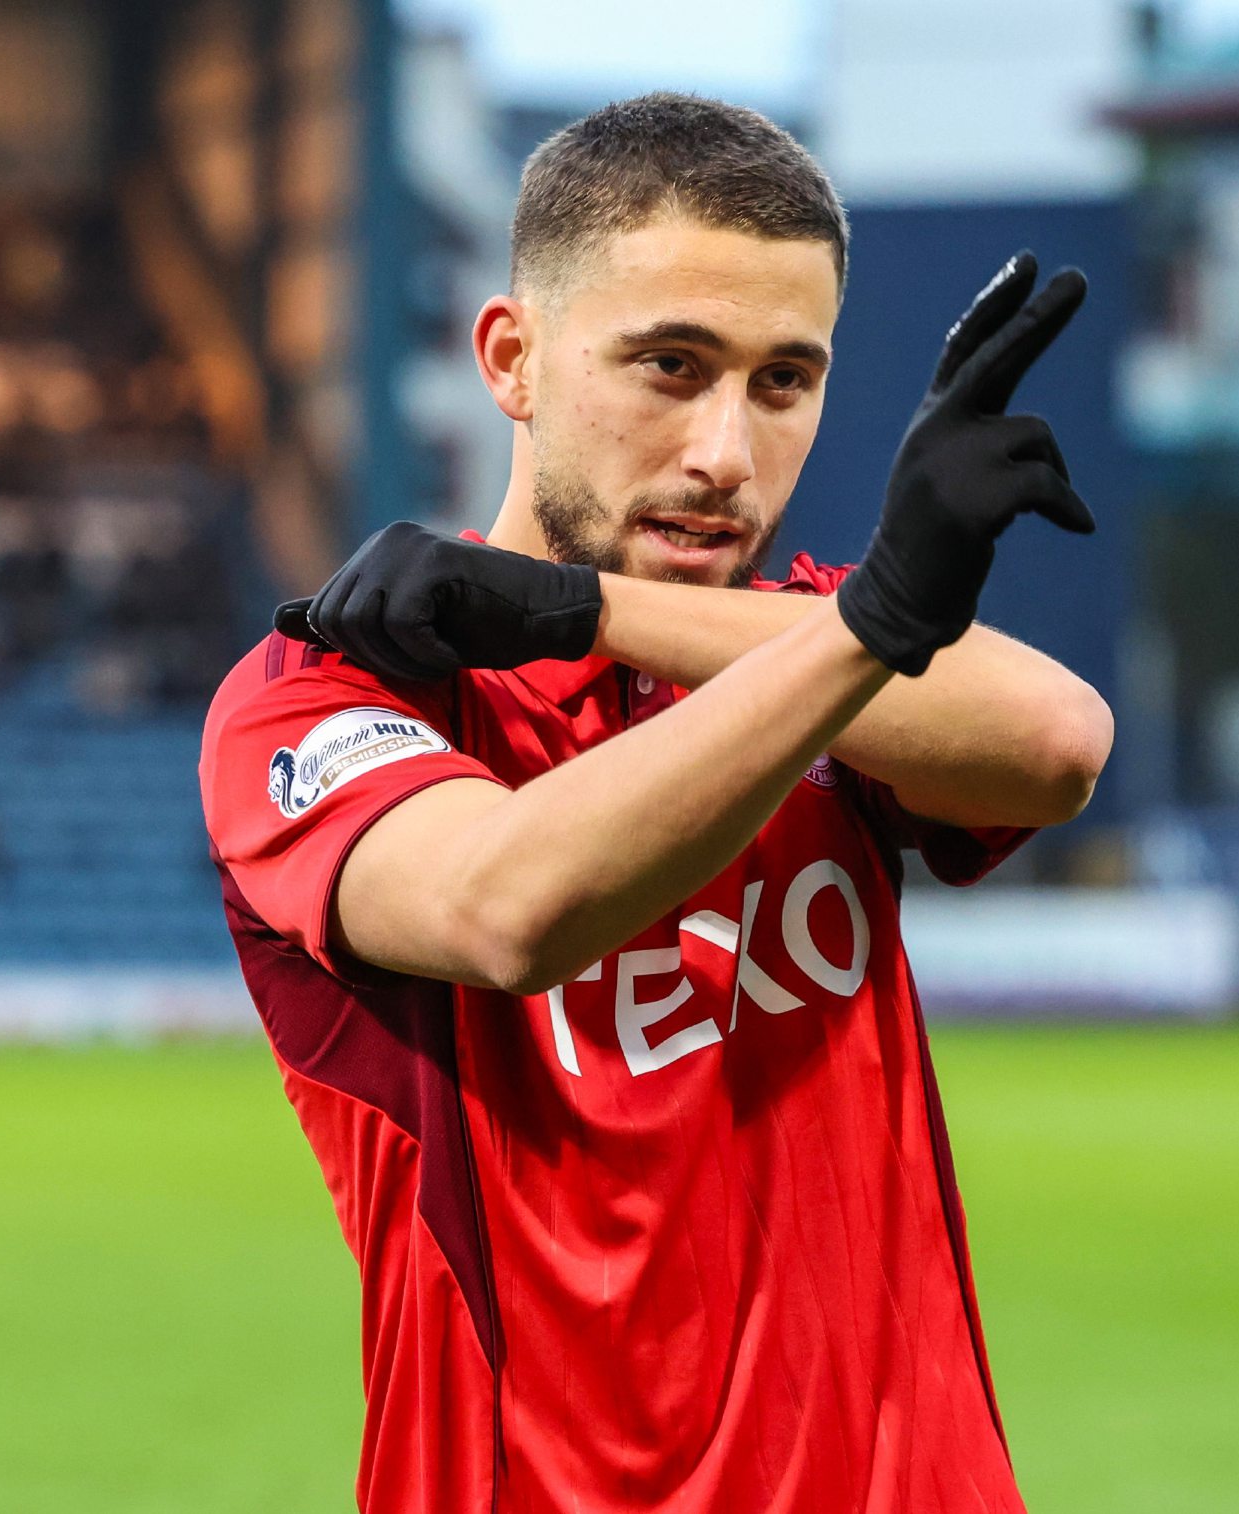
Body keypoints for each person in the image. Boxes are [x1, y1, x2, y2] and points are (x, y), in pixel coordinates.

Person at [200, 94, 1112, 1514]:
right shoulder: (322, 692)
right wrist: (870, 625)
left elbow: (1055, 741)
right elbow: (507, 908)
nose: (725, 454)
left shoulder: (810, 638)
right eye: (670, 367)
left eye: (783, 381)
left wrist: (588, 608)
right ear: (511, 359)